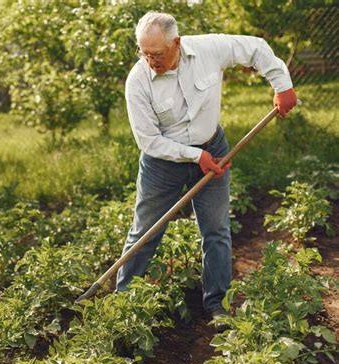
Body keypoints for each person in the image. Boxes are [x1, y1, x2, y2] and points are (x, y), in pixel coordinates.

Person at [116, 11, 297, 332]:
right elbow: (148, 141)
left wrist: (282, 85)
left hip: (212, 148)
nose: (151, 60)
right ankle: (123, 302)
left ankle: (217, 305)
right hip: (163, 163)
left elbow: (255, 48)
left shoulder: (208, 49)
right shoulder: (138, 81)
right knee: (145, 231)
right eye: (144, 53)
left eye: (157, 53)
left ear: (176, 43)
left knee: (216, 230)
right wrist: (193, 156)